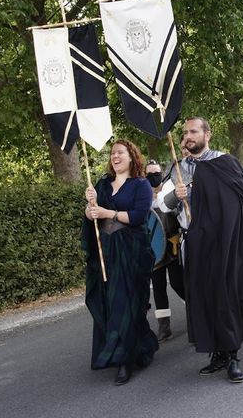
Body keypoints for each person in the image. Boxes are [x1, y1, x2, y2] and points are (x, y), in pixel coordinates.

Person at [158, 117, 243, 383]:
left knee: (226, 294)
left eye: (194, 131)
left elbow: (241, 196)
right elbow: (163, 205)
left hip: (223, 241)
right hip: (193, 242)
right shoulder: (178, 168)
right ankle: (217, 353)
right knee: (204, 298)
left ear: (207, 134)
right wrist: (178, 195)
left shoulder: (224, 162)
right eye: (185, 132)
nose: (188, 136)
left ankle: (233, 355)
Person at [82, 139, 158, 385]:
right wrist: (90, 207)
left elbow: (138, 216)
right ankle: (122, 348)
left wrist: (108, 213)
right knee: (109, 302)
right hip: (106, 252)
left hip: (132, 251)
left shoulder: (141, 185)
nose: (115, 156)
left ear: (131, 156)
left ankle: (125, 360)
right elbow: (91, 218)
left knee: (127, 303)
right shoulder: (102, 185)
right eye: (113, 153)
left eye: (120, 153)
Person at [146, 160, 185, 344]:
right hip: (154, 250)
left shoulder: (168, 193)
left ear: (162, 173)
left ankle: (196, 311)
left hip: (173, 246)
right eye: (149, 173)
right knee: (159, 288)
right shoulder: (143, 197)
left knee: (179, 283)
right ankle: (164, 327)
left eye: (156, 172)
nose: (153, 176)